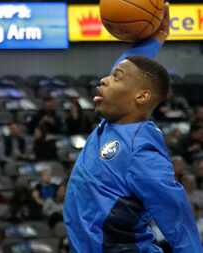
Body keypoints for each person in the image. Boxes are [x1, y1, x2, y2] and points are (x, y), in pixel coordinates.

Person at [63, 4, 203, 253]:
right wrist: (158, 37)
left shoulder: (141, 150)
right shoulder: (113, 121)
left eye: (115, 77)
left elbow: (175, 215)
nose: (104, 79)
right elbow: (128, 68)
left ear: (141, 96)